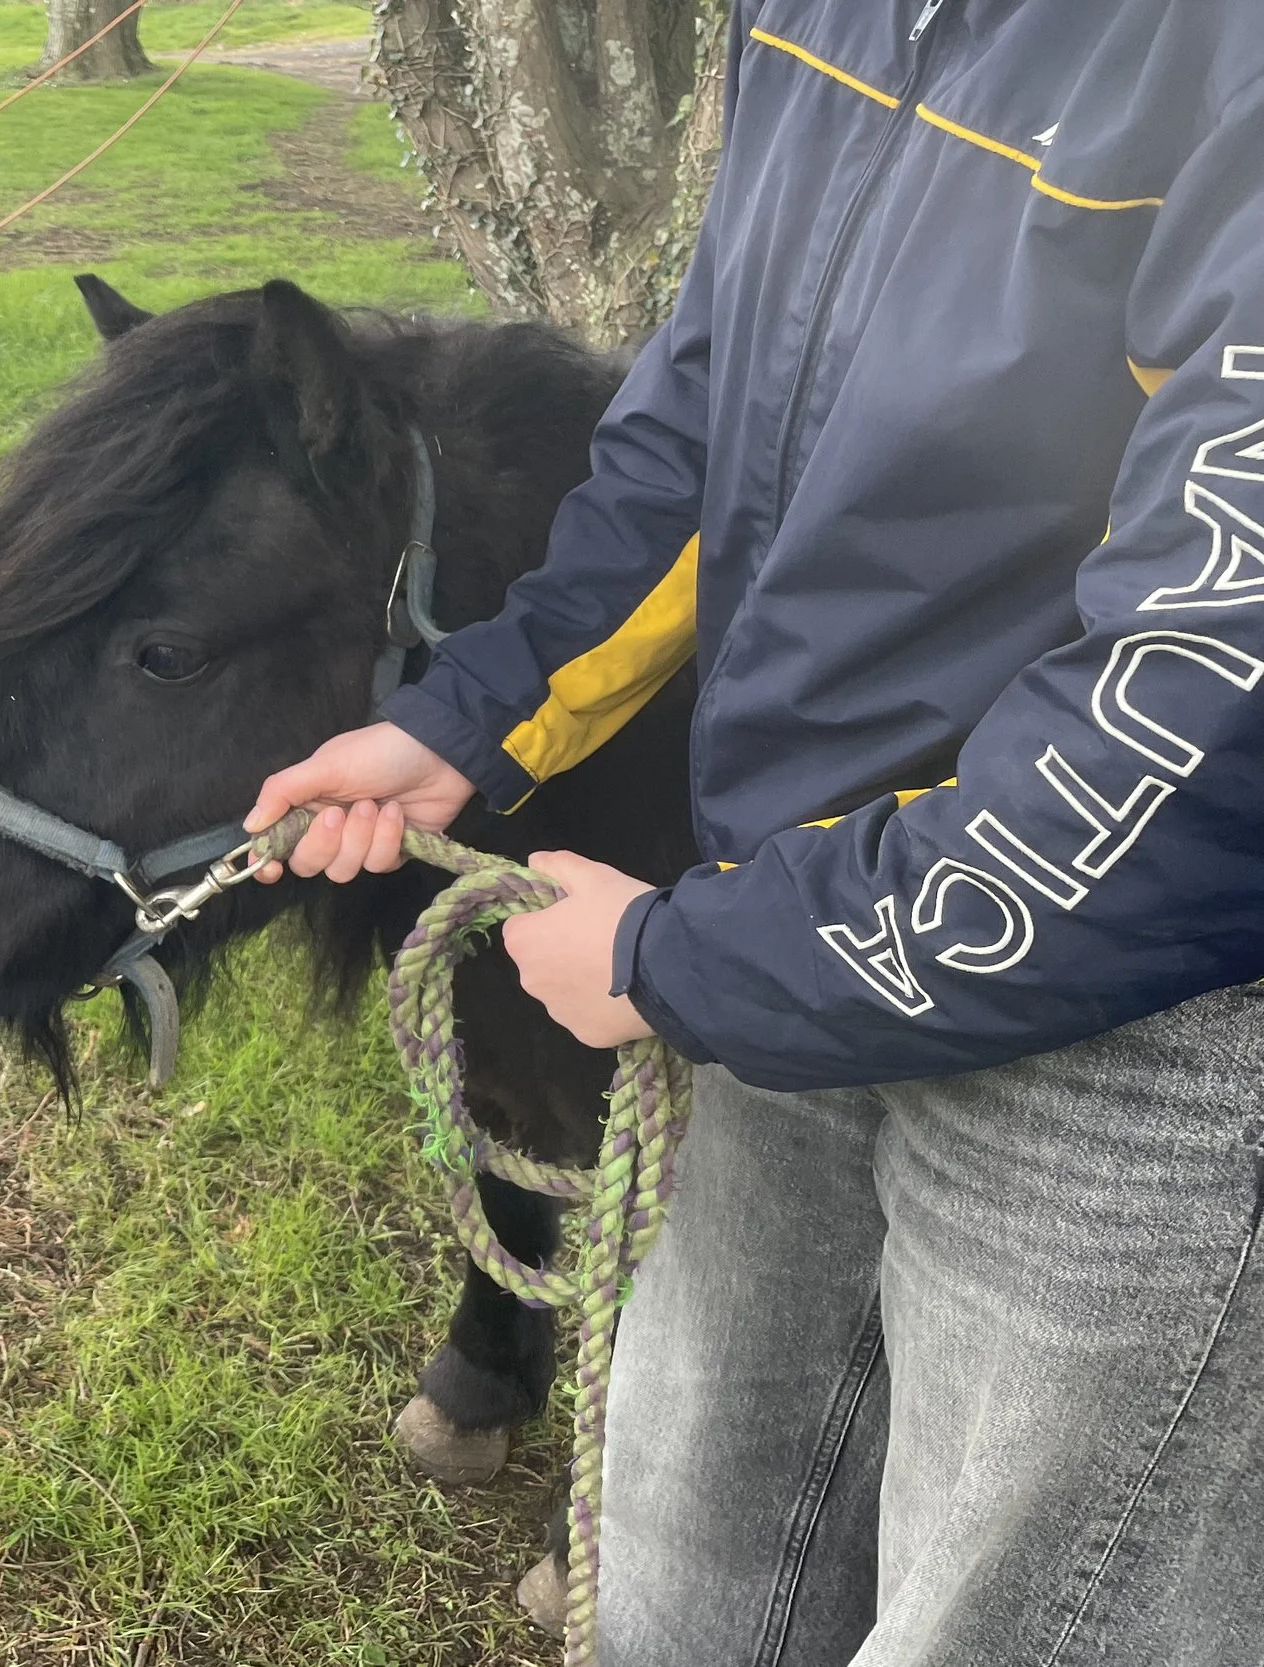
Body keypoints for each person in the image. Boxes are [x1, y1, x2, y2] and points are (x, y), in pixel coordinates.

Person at [248, 3, 1264, 1660]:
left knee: (1013, 1618)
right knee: (688, 1552)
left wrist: (683, 953)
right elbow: (716, 415)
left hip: (1136, 1039)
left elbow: (1207, 700)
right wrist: (469, 720)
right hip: (789, 920)